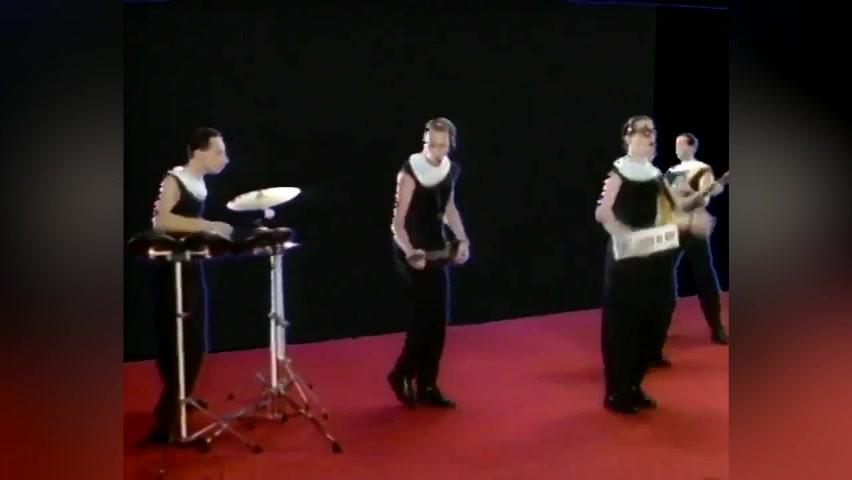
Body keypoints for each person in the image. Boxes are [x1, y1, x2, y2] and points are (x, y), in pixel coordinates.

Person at [595, 116, 715, 415]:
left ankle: (634, 384)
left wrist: (697, 209)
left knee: (655, 316)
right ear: (628, 137)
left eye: (653, 132)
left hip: (653, 256)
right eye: (644, 132)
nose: (651, 137)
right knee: (622, 325)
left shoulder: (656, 174)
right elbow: (603, 212)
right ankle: (617, 391)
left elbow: (678, 205)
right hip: (626, 260)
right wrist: (624, 234)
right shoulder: (618, 172)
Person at [145, 127, 233, 443]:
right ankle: (168, 418)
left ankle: (180, 397)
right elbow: (162, 221)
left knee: (195, 338)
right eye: (218, 152)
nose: (225, 159)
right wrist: (208, 226)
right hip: (173, 268)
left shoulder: (199, 183)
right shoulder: (176, 179)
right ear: (199, 152)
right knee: (179, 340)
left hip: (190, 265)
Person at [388, 117, 470, 409]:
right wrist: (411, 251)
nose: (436, 151)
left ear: (450, 144)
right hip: (411, 247)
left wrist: (462, 239)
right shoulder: (410, 172)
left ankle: (427, 384)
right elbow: (397, 223)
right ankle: (401, 373)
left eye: (442, 145)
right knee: (424, 318)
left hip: (435, 247)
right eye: (431, 145)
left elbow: (449, 208)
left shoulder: (450, 170)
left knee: (439, 319)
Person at [664, 133, 729, 345]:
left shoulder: (702, 169)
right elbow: (670, 200)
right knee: (663, 276)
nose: (677, 149)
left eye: (681, 144)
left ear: (692, 146)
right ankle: (661, 324)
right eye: (676, 145)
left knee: (704, 276)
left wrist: (695, 195)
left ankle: (716, 327)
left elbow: (703, 198)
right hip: (674, 226)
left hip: (693, 227)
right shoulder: (672, 171)